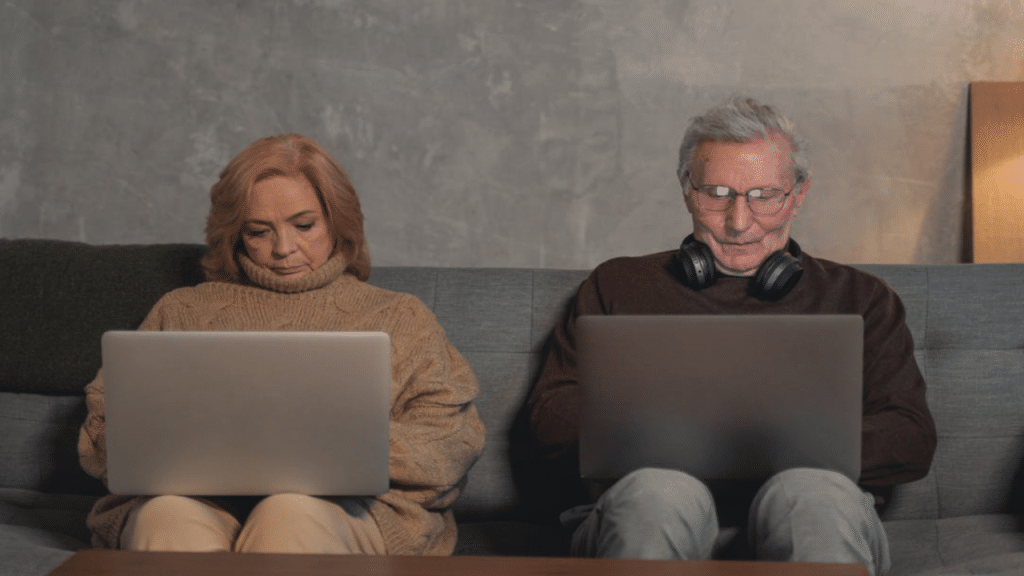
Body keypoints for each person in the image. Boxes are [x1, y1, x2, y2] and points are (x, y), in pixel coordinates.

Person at [527, 96, 936, 575]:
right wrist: (671, 443)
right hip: (648, 514)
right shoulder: (616, 285)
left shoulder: (863, 298)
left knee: (811, 495)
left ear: (799, 195)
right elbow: (552, 418)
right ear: (686, 190)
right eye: (717, 193)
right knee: (658, 495)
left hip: (814, 516)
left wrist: (759, 442)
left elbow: (910, 436)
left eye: (765, 195)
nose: (739, 222)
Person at [78, 133, 486, 555]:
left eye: (304, 225)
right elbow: (105, 426)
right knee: (166, 521)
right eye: (258, 231)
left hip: (349, 510)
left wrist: (344, 447)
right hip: (197, 503)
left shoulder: (401, 317)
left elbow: (453, 441)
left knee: (287, 516)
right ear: (235, 235)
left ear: (338, 220)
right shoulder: (182, 311)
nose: (283, 249)